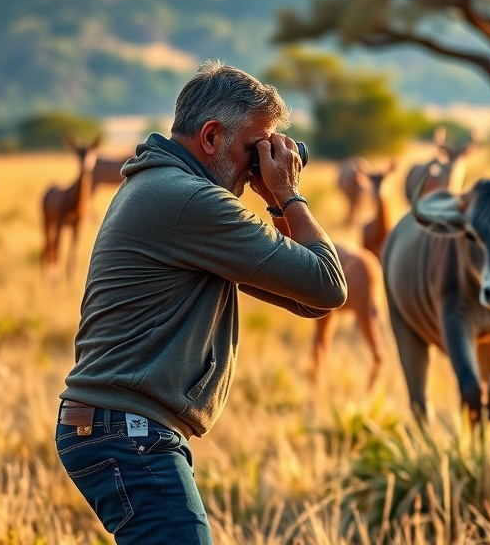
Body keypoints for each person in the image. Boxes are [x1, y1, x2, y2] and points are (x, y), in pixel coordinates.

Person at [54, 61, 347, 544]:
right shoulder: (190, 201)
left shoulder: (162, 188)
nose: (265, 161)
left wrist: (274, 201)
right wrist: (289, 195)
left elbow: (311, 302)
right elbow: (328, 282)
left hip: (118, 427)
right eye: (257, 148)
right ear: (212, 137)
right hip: (128, 431)